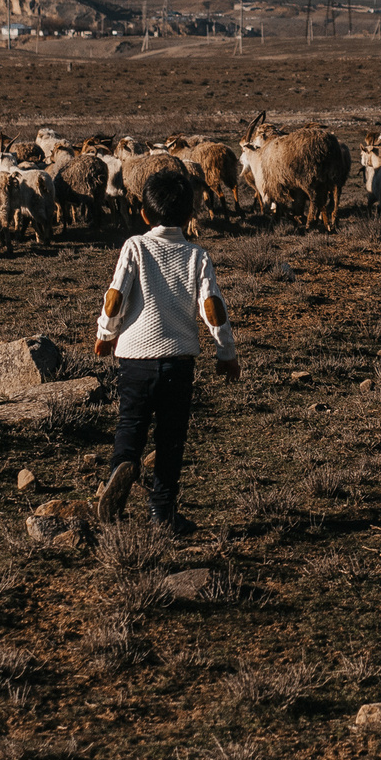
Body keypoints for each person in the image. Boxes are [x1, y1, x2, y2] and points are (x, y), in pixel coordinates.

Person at [93, 168, 239, 534]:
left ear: (144, 214)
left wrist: (105, 333)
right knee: (171, 438)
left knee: (131, 424)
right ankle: (162, 512)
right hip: (178, 362)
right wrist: (226, 353)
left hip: (135, 361)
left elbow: (116, 296)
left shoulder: (135, 246)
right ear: (191, 215)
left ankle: (118, 475)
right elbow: (212, 308)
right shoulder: (197, 255)